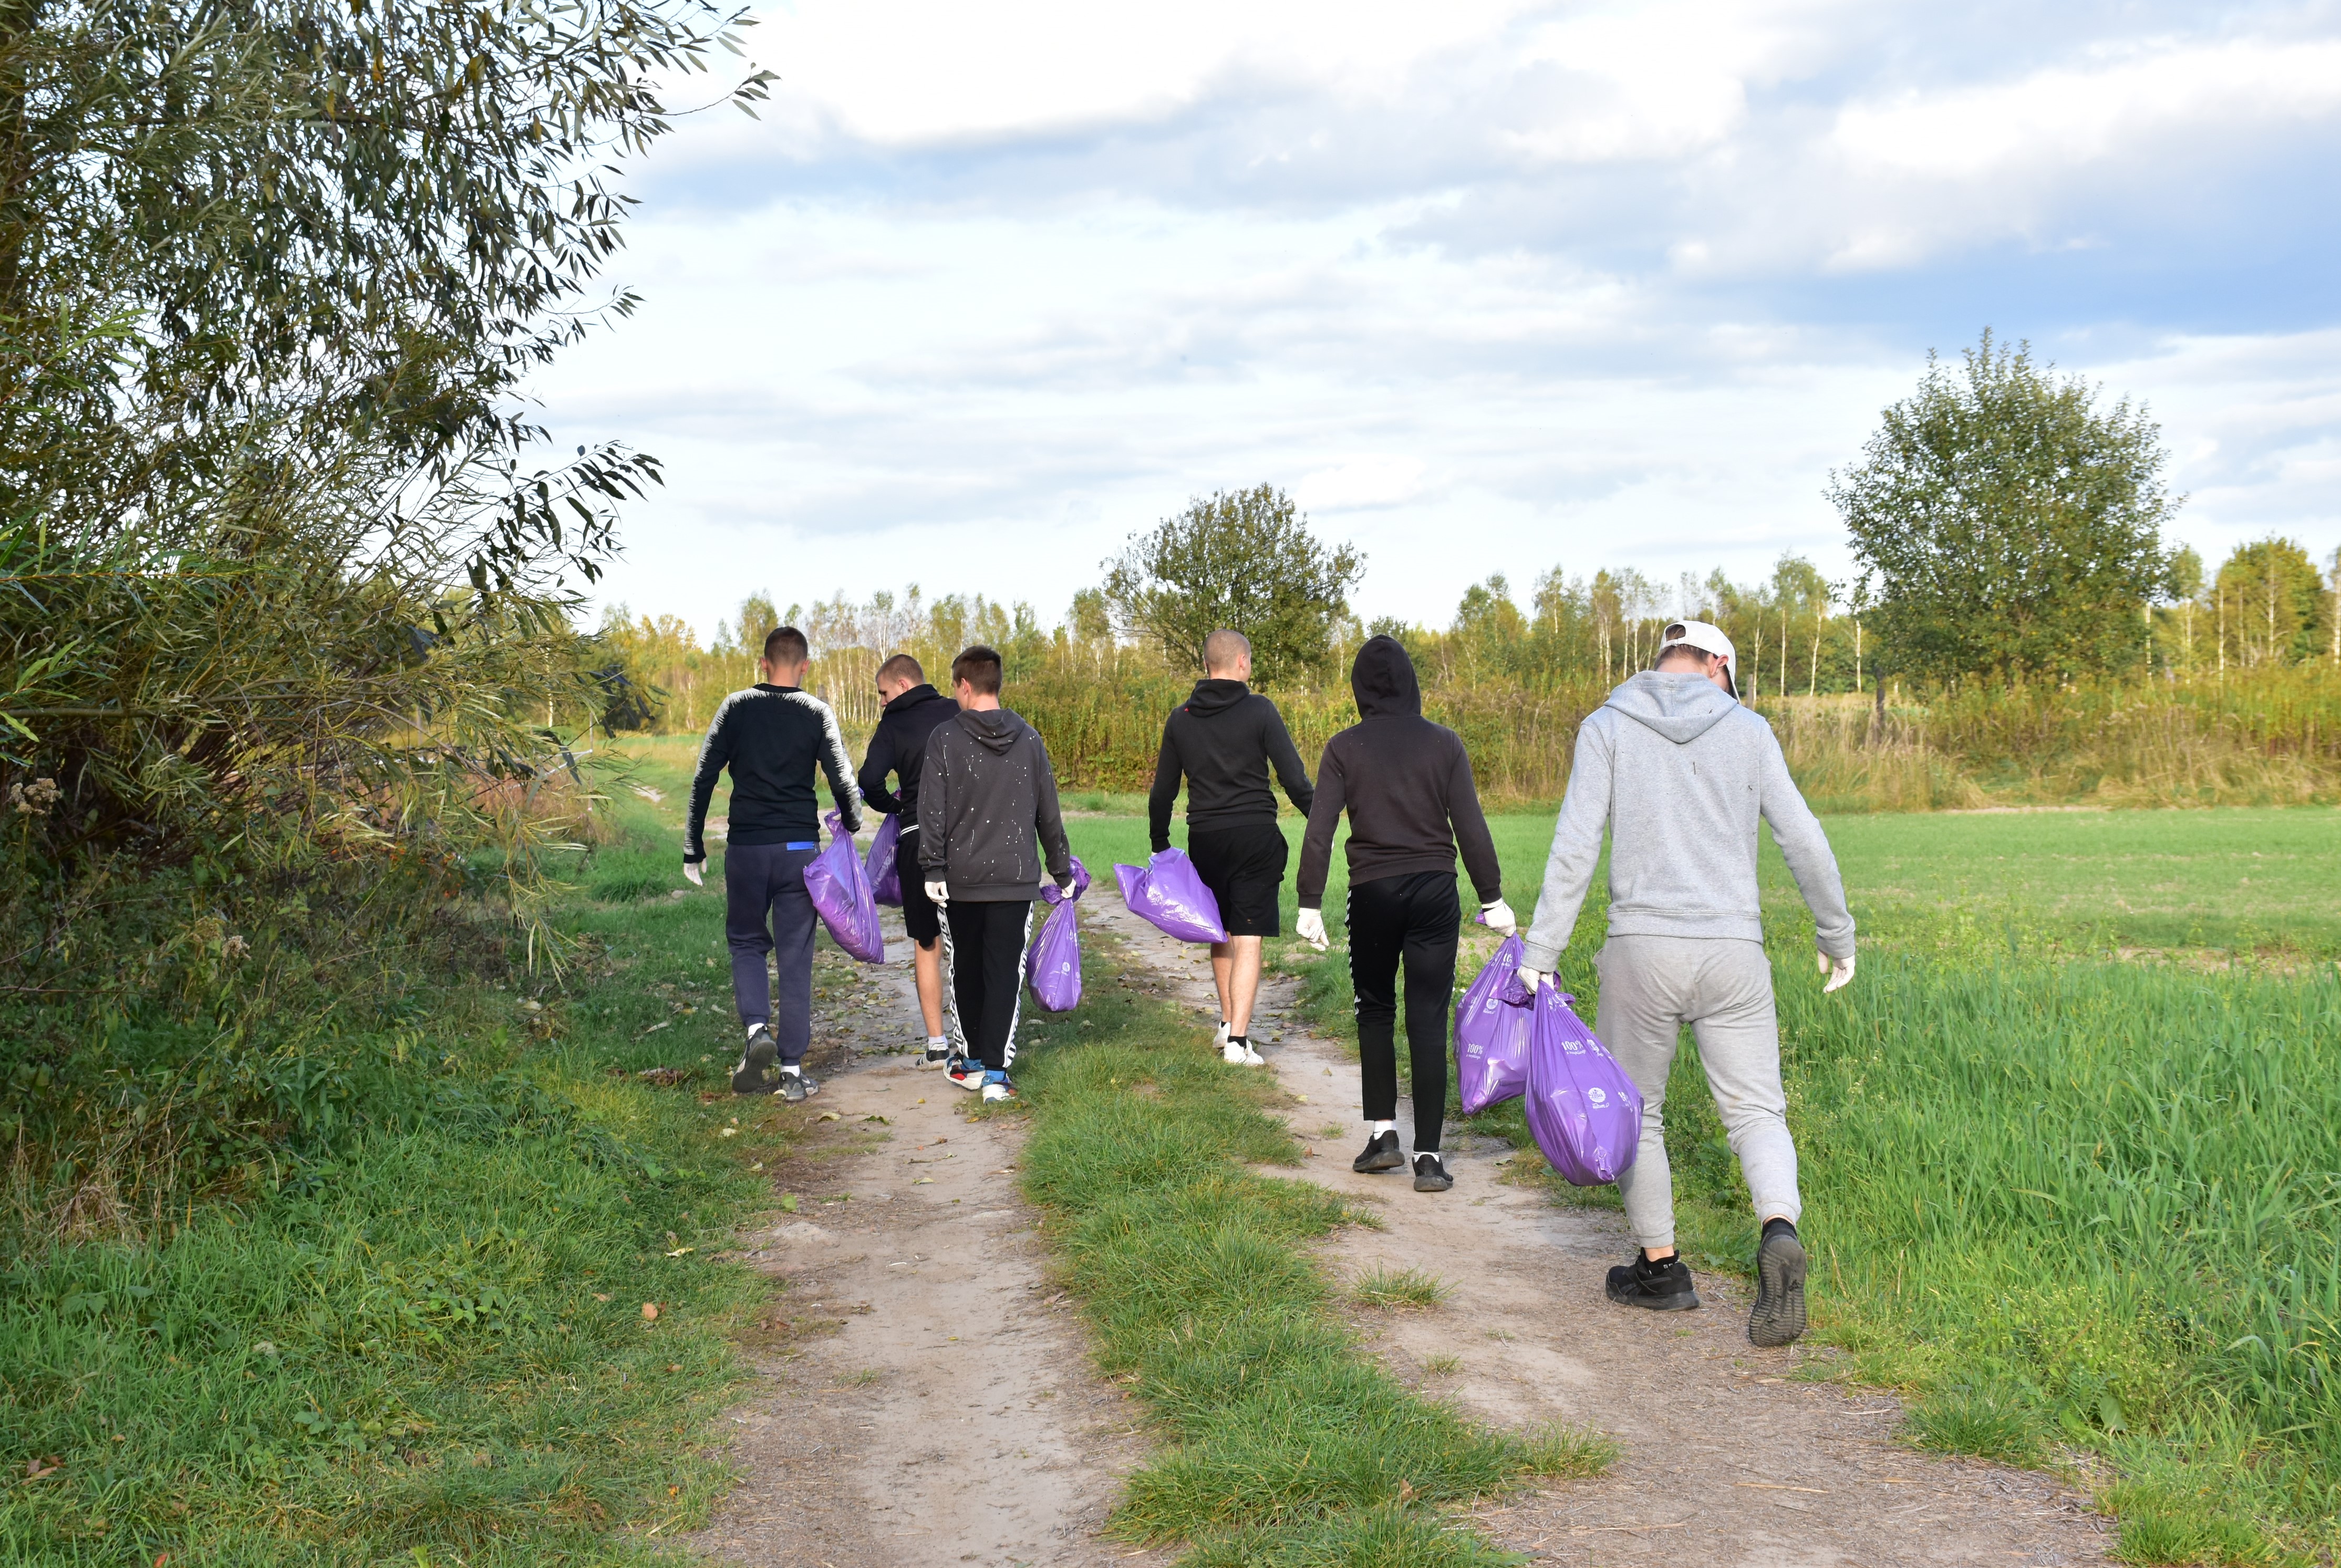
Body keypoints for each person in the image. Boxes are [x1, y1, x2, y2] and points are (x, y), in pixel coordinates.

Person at [1514, 619, 1856, 1348]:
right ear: (1719, 665)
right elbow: (1803, 837)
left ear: (1665, 661)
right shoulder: (1751, 730)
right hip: (1733, 948)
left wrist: (1542, 948)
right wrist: (1836, 933)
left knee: (1642, 1111)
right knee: (1757, 1111)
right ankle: (1778, 1225)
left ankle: (1661, 1269)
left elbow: (1576, 844)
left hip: (1642, 948)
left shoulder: (1606, 725)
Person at [1294, 635, 1515, 1193]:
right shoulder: (1444, 744)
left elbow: (1319, 831)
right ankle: (1430, 1159)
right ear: (1413, 683)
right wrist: (1491, 896)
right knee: (1427, 1017)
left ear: (1359, 689)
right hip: (1435, 890)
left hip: (1372, 890)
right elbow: (1470, 825)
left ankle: (1383, 1135)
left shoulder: (1344, 747)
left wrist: (1308, 901)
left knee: (1374, 1009)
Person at [685, 625, 864, 1104]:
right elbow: (844, 781)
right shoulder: (816, 712)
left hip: (745, 849)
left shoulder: (735, 707)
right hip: (797, 852)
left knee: (746, 941)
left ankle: (756, 1029)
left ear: (763, 663)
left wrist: (693, 845)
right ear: (804, 666)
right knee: (795, 955)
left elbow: (703, 777)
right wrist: (852, 823)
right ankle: (791, 1070)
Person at [1148, 628, 1315, 1065]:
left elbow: (1162, 791)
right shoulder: (1260, 710)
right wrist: (1321, 819)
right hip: (1255, 837)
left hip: (1206, 838)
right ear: (1241, 662)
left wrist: (1161, 844)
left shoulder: (1180, 717)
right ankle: (1240, 1042)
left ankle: (1226, 1024)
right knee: (1249, 937)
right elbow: (1294, 778)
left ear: (1207, 666)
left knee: (1218, 930)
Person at [917, 645, 1074, 1105]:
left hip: (960, 881)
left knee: (965, 968)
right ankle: (996, 1074)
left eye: (955, 686)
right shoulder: (1030, 739)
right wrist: (1061, 870)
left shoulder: (943, 739)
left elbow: (932, 811)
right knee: (1004, 971)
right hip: (1015, 879)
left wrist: (932, 867)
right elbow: (1050, 812)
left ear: (965, 685)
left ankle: (972, 1061)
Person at [858, 653, 960, 1067]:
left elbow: (868, 780)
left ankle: (937, 1043)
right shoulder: (958, 710)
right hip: (964, 838)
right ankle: (971, 1038)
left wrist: (895, 805)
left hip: (917, 839)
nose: (882, 701)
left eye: (883, 692)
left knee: (927, 943)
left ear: (902, 685)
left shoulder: (893, 723)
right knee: (968, 938)